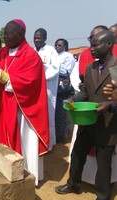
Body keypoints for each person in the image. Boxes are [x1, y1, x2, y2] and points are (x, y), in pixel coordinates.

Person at [0, 19, 49, 185]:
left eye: (9, 33)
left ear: (21, 35)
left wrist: (4, 77)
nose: (5, 36)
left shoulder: (31, 55)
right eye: (4, 33)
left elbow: (31, 82)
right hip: (0, 105)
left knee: (22, 143)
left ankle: (24, 174)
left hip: (21, 109)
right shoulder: (2, 52)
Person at [55, 30, 117, 200]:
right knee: (77, 154)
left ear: (109, 44)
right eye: (91, 44)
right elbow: (86, 93)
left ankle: (103, 195)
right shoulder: (91, 68)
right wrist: (73, 99)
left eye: (96, 45)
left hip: (108, 123)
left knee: (104, 163)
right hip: (88, 121)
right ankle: (73, 183)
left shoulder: (116, 67)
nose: (92, 48)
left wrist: (110, 104)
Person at [34, 28, 60, 150]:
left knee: (48, 115)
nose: (36, 40)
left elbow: (54, 69)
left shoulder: (51, 51)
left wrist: (40, 74)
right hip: (34, 89)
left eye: (39, 38)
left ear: (45, 38)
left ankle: (49, 144)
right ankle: (37, 144)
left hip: (47, 88)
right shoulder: (33, 51)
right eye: (35, 38)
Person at [54, 38, 75, 143]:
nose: (57, 47)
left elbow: (66, 71)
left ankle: (62, 137)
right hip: (53, 87)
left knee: (62, 112)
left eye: (60, 45)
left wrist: (53, 68)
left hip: (63, 88)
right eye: (56, 45)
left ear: (65, 47)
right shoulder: (54, 55)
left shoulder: (68, 56)